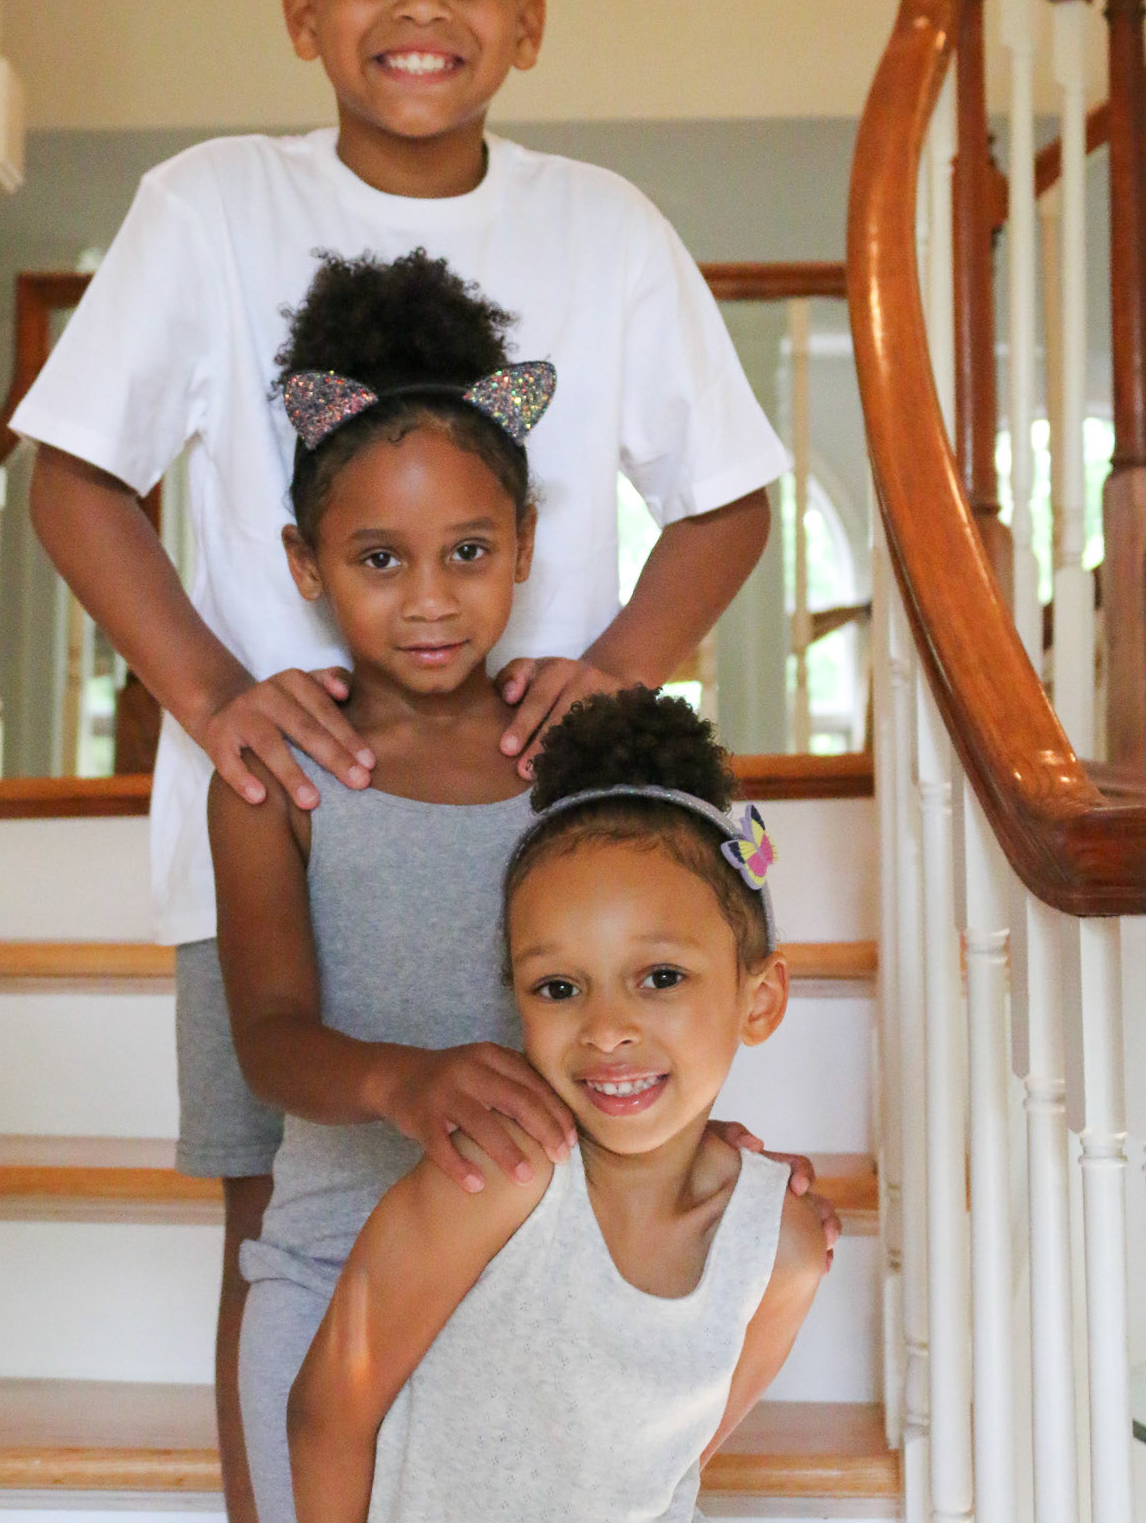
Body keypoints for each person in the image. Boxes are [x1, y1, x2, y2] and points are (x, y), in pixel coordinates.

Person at [12, 0, 799, 1519]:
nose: (421, 8)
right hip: (289, 812)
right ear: (306, 10)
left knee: (549, 1199)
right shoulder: (212, 204)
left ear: (528, 19)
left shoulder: (602, 226)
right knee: (282, 1215)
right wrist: (216, 696)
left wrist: (612, 669)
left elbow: (728, 500)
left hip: (535, 828)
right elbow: (72, 474)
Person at [215, 249, 823, 1523]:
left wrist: (690, 1153)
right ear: (306, 562)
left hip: (544, 1289)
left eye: (469, 549)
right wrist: (404, 1080)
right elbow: (266, 1039)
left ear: (525, 543)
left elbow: (652, 969)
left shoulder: (568, 751)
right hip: (335, 1277)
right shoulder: (278, 771)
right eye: (379, 559)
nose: (430, 598)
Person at [287, 684, 827, 1523]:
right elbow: (327, 1417)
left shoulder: (782, 1248)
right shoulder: (494, 1177)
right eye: (559, 987)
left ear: (758, 1001)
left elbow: (671, 1468)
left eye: (660, 977)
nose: (605, 1030)